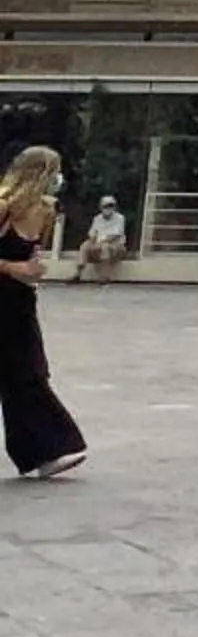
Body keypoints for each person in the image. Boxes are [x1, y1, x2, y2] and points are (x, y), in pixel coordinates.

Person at [0, 146, 88, 479]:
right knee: (23, 374)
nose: (59, 180)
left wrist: (34, 270)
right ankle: (51, 447)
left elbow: (31, 257)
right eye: (54, 172)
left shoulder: (44, 212)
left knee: (26, 373)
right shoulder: (4, 208)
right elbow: (14, 260)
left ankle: (39, 451)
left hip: (20, 303)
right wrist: (12, 267)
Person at [75, 196, 129, 285]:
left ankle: (104, 276)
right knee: (84, 245)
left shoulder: (120, 218)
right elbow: (92, 233)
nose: (108, 208)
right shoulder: (97, 218)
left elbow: (115, 235)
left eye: (111, 206)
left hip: (116, 246)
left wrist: (100, 242)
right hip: (98, 245)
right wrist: (93, 242)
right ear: (101, 207)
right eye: (106, 206)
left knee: (105, 247)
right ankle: (78, 274)